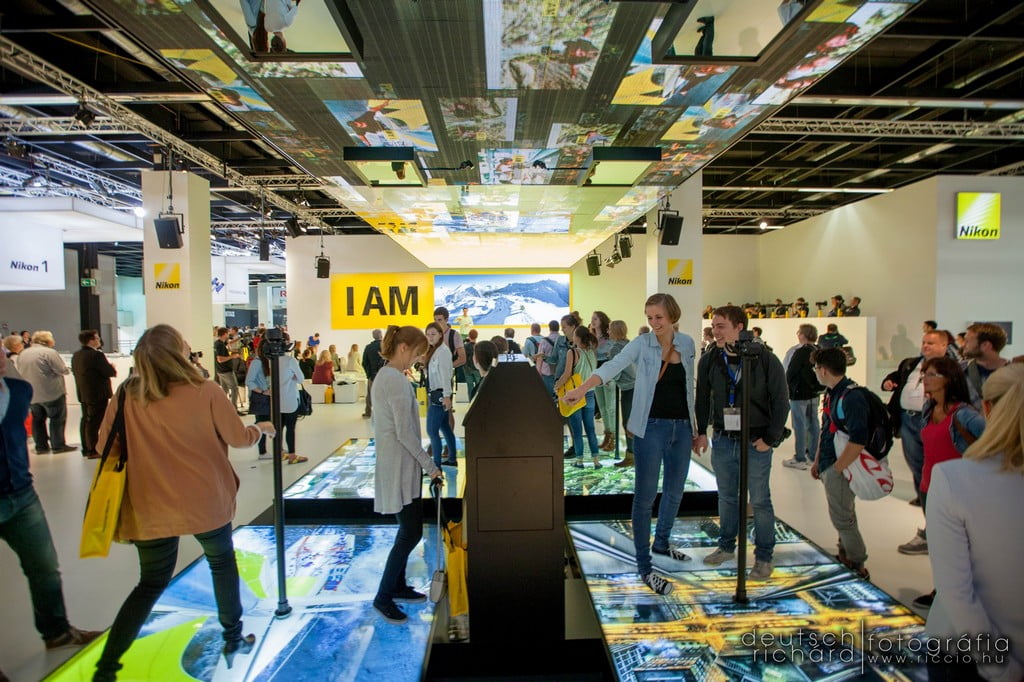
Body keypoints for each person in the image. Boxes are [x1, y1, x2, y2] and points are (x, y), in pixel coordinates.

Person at [92, 324, 276, 681]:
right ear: (179, 353)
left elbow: (104, 447)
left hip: (149, 504)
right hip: (205, 500)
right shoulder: (205, 391)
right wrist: (262, 429)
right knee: (221, 564)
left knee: (149, 583)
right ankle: (233, 638)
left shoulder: (128, 394)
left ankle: (107, 667)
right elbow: (239, 438)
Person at [563, 293, 698, 595]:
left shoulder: (687, 343)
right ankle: (645, 566)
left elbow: (690, 388)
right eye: (649, 317)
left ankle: (661, 543)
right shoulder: (641, 344)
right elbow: (613, 366)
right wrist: (583, 389)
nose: (654, 323)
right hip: (650, 428)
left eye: (659, 317)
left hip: (681, 428)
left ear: (672, 316)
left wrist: (697, 428)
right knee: (645, 497)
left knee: (675, 491)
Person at [925, 363, 1024, 682]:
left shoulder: (954, 479)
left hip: (965, 654)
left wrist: (1000, 669)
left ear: (988, 408)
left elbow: (956, 591)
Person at [0, 350, 102, 655]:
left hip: (21, 494)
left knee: (44, 567)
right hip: (17, 492)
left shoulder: (19, 391)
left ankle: (57, 631)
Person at [695, 305, 789, 580]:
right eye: (714, 326)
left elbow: (781, 401)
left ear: (739, 327)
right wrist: (701, 431)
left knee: (759, 500)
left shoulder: (765, 359)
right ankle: (726, 546)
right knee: (726, 497)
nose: (715, 331)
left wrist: (770, 439)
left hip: (756, 441)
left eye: (721, 326)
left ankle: (764, 557)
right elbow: (702, 398)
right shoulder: (710, 359)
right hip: (723, 439)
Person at [371, 325, 443, 624]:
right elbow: (405, 433)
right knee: (410, 532)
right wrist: (430, 466)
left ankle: (397, 586)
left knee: (408, 529)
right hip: (399, 465)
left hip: (398, 463)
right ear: (404, 348)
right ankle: (383, 596)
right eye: (416, 354)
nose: (417, 360)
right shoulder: (395, 381)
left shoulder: (386, 376)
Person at [910, 356, 984, 611]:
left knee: (960, 545)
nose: (925, 379)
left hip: (959, 489)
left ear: (949, 379)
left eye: (932, 374)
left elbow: (992, 442)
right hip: (930, 486)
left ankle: (960, 592)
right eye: (925, 374)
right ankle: (942, 589)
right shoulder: (928, 409)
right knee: (939, 544)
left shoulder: (964, 414)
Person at [810, 347, 874, 580]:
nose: (815, 372)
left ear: (823, 370)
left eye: (816, 368)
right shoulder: (832, 393)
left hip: (840, 466)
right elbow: (827, 429)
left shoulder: (851, 397)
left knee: (843, 518)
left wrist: (837, 469)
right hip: (830, 462)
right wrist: (818, 460)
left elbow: (858, 439)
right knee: (842, 512)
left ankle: (857, 563)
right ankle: (845, 554)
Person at [883, 330, 949, 550]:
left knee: (935, 474)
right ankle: (931, 524)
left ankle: (937, 529)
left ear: (944, 346)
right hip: (908, 421)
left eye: (931, 343)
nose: (926, 346)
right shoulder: (911, 364)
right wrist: (888, 382)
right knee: (919, 470)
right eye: (924, 342)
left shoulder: (952, 369)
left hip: (932, 421)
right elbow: (896, 378)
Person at [245, 336, 307, 465]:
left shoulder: (271, 361)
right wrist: (263, 391)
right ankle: (277, 453)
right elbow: (300, 379)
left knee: (277, 426)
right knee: (282, 426)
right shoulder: (265, 362)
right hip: (274, 399)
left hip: (274, 399)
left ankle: (279, 452)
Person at [18, 331, 76, 454]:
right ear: (48, 340)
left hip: (32, 394)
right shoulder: (49, 352)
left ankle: (41, 446)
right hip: (51, 392)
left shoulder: (23, 353)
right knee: (56, 419)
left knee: (37, 420)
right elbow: (61, 370)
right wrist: (67, 370)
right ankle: (58, 446)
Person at [558, 326, 601, 469]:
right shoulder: (592, 353)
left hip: (575, 394)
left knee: (577, 430)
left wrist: (557, 386)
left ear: (577, 337)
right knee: (590, 429)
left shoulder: (573, 352)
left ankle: (580, 460)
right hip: (590, 393)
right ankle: (596, 460)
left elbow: (566, 375)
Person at [71, 330, 117, 459]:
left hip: (83, 393)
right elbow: (109, 372)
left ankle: (86, 448)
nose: (99, 340)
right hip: (97, 393)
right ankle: (93, 449)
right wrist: (112, 367)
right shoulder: (96, 355)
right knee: (94, 422)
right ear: (91, 340)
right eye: (97, 338)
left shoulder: (77, 355)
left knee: (86, 420)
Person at [783, 324, 821, 470]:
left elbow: (790, 371)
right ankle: (812, 456)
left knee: (799, 425)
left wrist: (787, 388)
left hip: (799, 394)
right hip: (814, 393)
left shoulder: (800, 352)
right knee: (813, 424)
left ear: (803, 335)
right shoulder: (818, 349)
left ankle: (800, 457)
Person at [423, 323, 459, 468]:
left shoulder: (442, 351)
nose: (430, 337)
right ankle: (451, 459)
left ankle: (436, 465)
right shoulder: (435, 350)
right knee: (445, 427)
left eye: (433, 334)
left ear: (440, 334)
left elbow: (445, 374)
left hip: (439, 395)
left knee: (432, 430)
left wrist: (447, 396)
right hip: (437, 393)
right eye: (428, 334)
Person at [962, 322, 1010, 410]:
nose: (963, 345)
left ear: (985, 345)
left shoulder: (1016, 373)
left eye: (967, 341)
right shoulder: (959, 370)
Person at [607, 320, 636, 467]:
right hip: (638, 386)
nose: (608, 332)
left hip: (628, 388)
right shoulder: (631, 345)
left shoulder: (615, 349)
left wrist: (609, 378)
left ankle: (632, 455)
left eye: (610, 329)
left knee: (628, 422)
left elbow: (616, 370)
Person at [591, 311, 617, 453]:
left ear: (602, 320)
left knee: (610, 407)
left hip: (607, 373)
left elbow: (612, 357)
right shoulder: (592, 338)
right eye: (592, 319)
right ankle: (607, 435)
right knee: (601, 406)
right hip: (596, 373)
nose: (593, 321)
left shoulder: (609, 338)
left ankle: (613, 437)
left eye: (595, 319)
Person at [213, 328, 242, 414]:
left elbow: (229, 342)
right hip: (225, 370)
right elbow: (220, 359)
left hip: (220, 370)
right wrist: (232, 356)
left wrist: (238, 338)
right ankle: (233, 409)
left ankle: (224, 409)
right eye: (228, 333)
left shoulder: (219, 343)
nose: (229, 335)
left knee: (224, 390)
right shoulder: (220, 345)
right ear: (225, 334)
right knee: (234, 388)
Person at [361, 329, 385, 418]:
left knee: (370, 394)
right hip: (385, 375)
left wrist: (368, 374)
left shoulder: (368, 347)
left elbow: (364, 362)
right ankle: (383, 414)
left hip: (372, 375)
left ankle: (368, 412)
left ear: (373, 336)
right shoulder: (386, 346)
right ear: (381, 335)